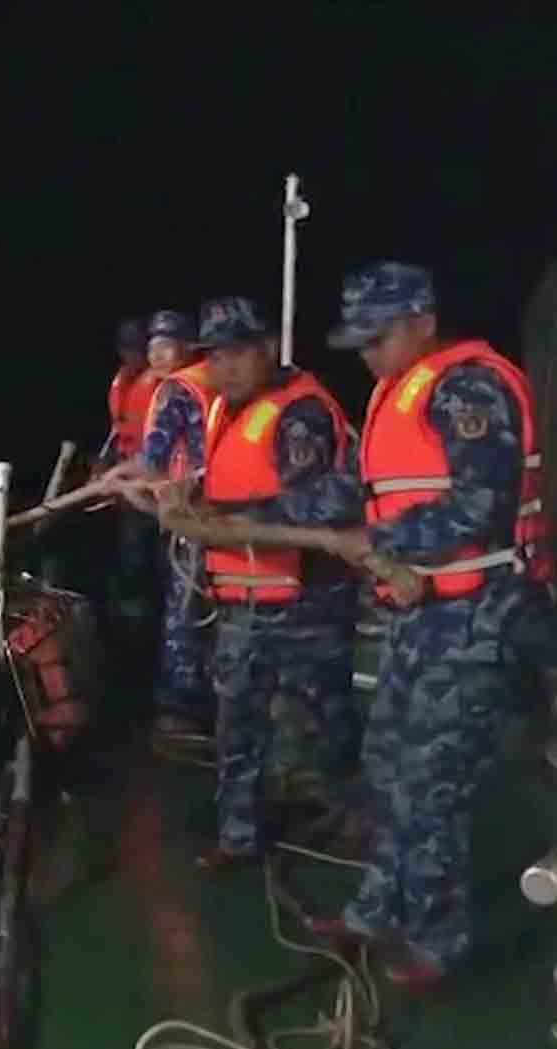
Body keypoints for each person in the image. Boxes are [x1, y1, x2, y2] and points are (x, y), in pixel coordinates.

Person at [306, 262, 553, 987]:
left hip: (480, 616)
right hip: (420, 617)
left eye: (378, 338)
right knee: (384, 768)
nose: (368, 355)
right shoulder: (393, 393)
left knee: (429, 783)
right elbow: (361, 489)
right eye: (359, 343)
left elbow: (483, 503)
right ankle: (375, 911)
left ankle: (437, 944)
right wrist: (255, 508)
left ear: (422, 321)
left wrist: (379, 545)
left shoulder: (470, 388)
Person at [156, 297, 363, 870]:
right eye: (214, 357)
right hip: (242, 605)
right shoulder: (227, 410)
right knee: (237, 725)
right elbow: (225, 488)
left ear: (268, 348)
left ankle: (352, 817)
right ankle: (238, 835)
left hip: (307, 604)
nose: (224, 368)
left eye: (237, 354)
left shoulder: (301, 415)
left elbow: (312, 506)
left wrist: (217, 517)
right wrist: (188, 500)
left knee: (328, 718)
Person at [105, 309, 220, 734]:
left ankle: (181, 708)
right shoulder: (215, 382)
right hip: (219, 507)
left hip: (187, 512)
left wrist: (123, 479)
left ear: (187, 348)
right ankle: (210, 698)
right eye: (151, 346)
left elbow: (153, 458)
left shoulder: (177, 391)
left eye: (164, 346)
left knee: (183, 610)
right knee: (210, 605)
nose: (155, 355)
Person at [95, 317, 163, 656]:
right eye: (128, 348)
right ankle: (132, 632)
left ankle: (152, 630)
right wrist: (104, 466)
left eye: (139, 348)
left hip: (158, 486)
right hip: (128, 487)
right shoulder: (122, 383)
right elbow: (118, 432)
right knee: (131, 557)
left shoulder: (163, 386)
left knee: (155, 559)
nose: (134, 355)